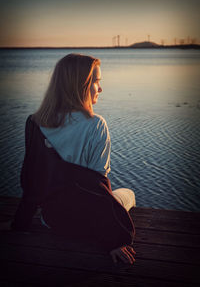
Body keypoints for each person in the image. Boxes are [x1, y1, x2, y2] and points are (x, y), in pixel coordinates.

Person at [11, 53, 136, 264]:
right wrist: (115, 239)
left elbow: (32, 182)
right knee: (128, 194)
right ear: (81, 85)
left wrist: (19, 223)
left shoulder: (34, 122)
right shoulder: (96, 125)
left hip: (52, 219)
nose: (100, 88)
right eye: (97, 82)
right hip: (88, 221)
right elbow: (99, 187)